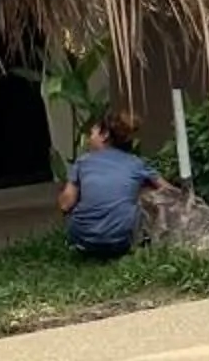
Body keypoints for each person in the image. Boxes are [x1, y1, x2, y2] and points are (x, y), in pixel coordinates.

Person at [60, 107, 171, 259]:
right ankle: (143, 240)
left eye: (92, 133)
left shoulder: (83, 162)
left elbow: (65, 204)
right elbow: (168, 190)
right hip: (122, 242)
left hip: (83, 241)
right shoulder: (136, 163)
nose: (88, 138)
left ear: (104, 135)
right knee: (143, 189)